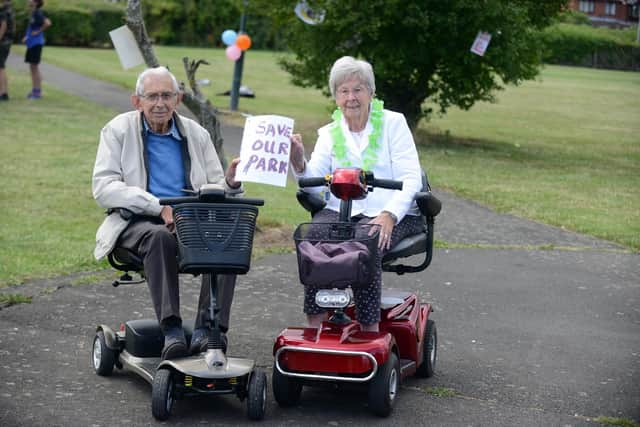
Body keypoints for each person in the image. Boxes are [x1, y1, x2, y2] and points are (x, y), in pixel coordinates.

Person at [92, 66, 243, 360]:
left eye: (166, 95)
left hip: (188, 221)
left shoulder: (196, 133)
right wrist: (157, 207)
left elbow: (214, 187)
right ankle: (172, 330)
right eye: (152, 96)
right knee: (159, 237)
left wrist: (231, 183)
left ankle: (208, 331)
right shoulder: (118, 130)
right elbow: (103, 188)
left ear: (178, 99)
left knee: (230, 240)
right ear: (137, 101)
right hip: (134, 222)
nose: (159, 103)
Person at [289, 56, 424, 332]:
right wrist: (299, 162)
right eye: (344, 91)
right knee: (313, 236)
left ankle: (369, 329)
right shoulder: (329, 133)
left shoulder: (393, 123)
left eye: (358, 89)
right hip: (343, 210)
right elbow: (314, 184)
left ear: (371, 93)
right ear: (336, 97)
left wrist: (389, 215)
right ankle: (315, 327)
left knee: (366, 241)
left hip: (391, 212)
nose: (351, 97)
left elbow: (411, 179)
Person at [22, 0, 50, 99]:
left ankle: (37, 92)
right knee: (33, 68)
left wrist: (38, 32)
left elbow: (47, 23)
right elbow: (31, 27)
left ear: (36, 2)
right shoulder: (33, 13)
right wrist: (27, 36)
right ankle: (35, 91)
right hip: (31, 44)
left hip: (36, 44)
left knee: (34, 68)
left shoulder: (38, 13)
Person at [0, 0, 14, 101]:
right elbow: (14, 27)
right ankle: (4, 92)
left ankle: (3, 93)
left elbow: (3, 26)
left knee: (1, 67)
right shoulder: (11, 11)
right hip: (8, 41)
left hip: (3, 42)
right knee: (1, 67)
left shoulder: (4, 11)